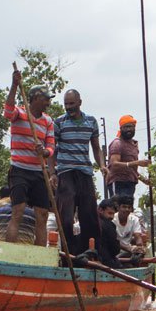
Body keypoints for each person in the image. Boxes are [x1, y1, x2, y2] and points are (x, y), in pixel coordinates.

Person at [3, 63, 56, 246]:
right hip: (20, 169)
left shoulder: (48, 121)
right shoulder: (20, 113)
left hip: (38, 171)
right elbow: (7, 111)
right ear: (35, 99)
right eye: (45, 99)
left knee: (41, 214)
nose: (48, 103)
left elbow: (51, 147)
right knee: (18, 210)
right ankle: (10, 251)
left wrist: (45, 152)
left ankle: (39, 253)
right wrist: (15, 85)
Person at [53, 88, 106, 255]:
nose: (69, 107)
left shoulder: (91, 122)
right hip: (66, 172)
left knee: (89, 215)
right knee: (66, 217)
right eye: (66, 104)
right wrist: (51, 172)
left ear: (79, 102)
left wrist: (102, 165)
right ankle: (69, 253)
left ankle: (91, 250)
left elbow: (96, 148)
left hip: (84, 171)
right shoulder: (59, 122)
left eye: (71, 103)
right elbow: (52, 149)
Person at [107, 114, 150, 200]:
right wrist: (137, 163)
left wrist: (144, 180)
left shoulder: (133, 145)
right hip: (118, 182)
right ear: (121, 129)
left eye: (131, 127)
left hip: (130, 183)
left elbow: (131, 169)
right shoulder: (117, 143)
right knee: (118, 208)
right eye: (126, 127)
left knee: (127, 210)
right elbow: (114, 164)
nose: (129, 129)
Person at [114, 194, 147, 263]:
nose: (127, 209)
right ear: (118, 207)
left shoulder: (134, 219)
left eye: (129, 207)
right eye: (124, 207)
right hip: (114, 251)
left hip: (128, 252)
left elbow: (138, 237)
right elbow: (113, 241)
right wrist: (130, 248)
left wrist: (139, 248)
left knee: (143, 253)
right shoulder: (112, 219)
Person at [95, 198, 124, 269]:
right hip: (105, 263)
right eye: (109, 213)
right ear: (100, 210)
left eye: (113, 214)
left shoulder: (89, 222)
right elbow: (115, 249)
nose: (112, 217)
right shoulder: (109, 225)